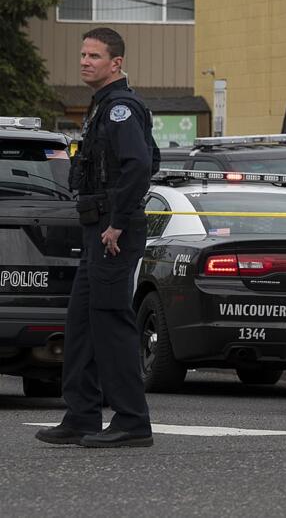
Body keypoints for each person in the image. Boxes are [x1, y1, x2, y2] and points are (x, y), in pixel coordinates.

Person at [36, 28, 157, 449]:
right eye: (83, 54)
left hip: (113, 231)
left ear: (116, 63)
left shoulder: (121, 108)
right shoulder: (102, 106)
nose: (85, 61)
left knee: (111, 323)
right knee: (82, 324)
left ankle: (132, 422)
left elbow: (139, 166)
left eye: (94, 56)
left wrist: (118, 222)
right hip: (98, 228)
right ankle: (82, 415)